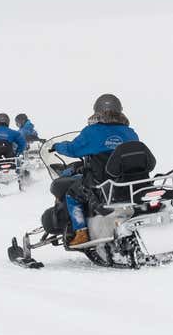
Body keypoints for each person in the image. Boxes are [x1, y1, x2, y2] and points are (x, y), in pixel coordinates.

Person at [50, 94, 139, 246]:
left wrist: (57, 146)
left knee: (72, 194)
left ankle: (81, 232)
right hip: (127, 184)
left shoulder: (92, 132)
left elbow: (73, 149)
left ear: (97, 111)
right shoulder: (130, 132)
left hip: (101, 185)